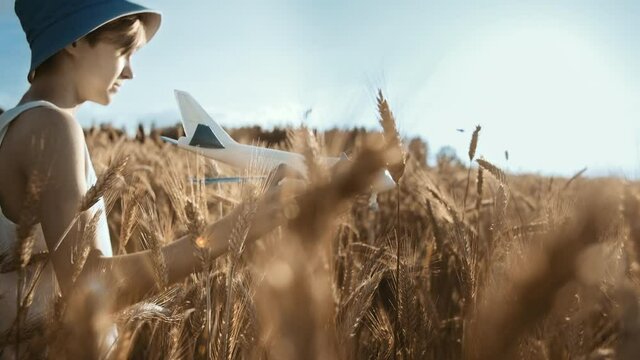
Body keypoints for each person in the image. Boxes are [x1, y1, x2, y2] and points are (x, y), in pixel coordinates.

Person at [0, 0, 301, 355]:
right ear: (75, 40)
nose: (130, 73)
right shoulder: (52, 127)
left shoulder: (13, 127)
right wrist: (227, 233)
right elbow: (89, 284)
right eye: (124, 51)